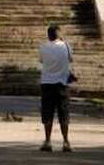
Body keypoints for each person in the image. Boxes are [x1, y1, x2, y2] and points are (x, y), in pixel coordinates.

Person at [38, 24, 73, 152]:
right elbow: (70, 60)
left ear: (48, 35)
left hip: (47, 83)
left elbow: (42, 61)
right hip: (62, 84)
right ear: (59, 34)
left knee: (47, 113)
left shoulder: (43, 47)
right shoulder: (66, 46)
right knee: (64, 114)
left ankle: (48, 141)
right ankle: (66, 142)